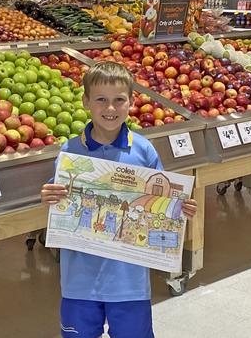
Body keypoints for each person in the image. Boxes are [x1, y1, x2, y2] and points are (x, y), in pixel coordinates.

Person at [41, 62, 197, 338]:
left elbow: (159, 198)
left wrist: (179, 208)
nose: (110, 109)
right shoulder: (71, 152)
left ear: (131, 103)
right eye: (101, 100)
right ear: (86, 101)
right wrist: (50, 197)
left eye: (118, 100)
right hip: (79, 280)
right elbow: (60, 204)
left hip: (129, 281)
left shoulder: (143, 150)